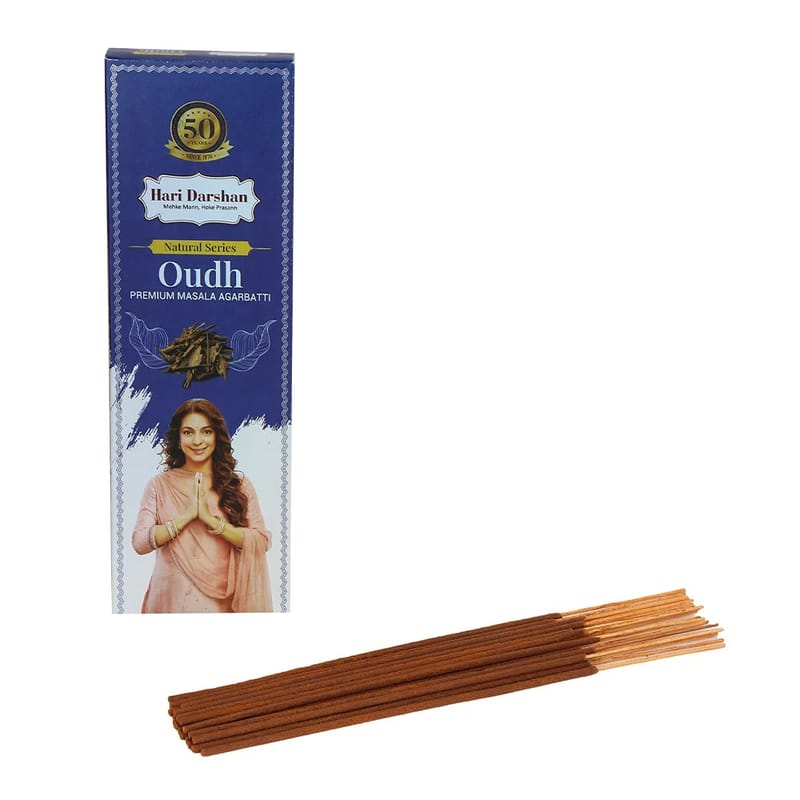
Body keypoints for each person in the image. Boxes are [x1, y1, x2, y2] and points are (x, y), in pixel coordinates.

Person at [132, 398, 272, 612]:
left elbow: (261, 541)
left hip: (221, 605)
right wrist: (185, 518)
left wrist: (212, 521)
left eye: (206, 432)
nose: (197, 441)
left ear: (217, 435)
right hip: (169, 601)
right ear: (178, 438)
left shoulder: (238, 485)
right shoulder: (159, 485)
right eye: (188, 432)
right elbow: (139, 543)